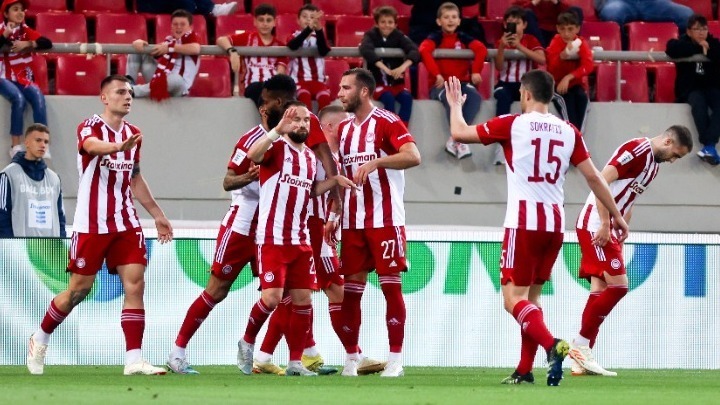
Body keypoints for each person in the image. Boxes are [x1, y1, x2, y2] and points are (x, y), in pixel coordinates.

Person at [444, 70, 629, 386]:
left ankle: (551, 345)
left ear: (526, 94)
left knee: (512, 300)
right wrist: (616, 216)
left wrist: (455, 106)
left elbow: (459, 133)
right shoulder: (569, 131)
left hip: (523, 224)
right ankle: (524, 370)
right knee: (532, 297)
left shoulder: (513, 124)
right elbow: (595, 177)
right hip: (554, 226)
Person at [26, 75, 174, 376]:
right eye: (120, 92)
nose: (128, 96)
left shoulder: (134, 134)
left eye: (130, 92)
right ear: (104, 98)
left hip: (125, 222)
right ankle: (39, 338)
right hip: (91, 224)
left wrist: (157, 214)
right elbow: (91, 147)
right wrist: (118, 146)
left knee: (136, 284)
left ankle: (134, 359)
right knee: (78, 291)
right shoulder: (89, 126)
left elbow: (135, 177)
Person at [251, 104, 386, 377]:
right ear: (329, 127)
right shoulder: (307, 153)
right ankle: (353, 355)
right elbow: (306, 189)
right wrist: (330, 217)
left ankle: (271, 355)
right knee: (336, 290)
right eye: (343, 123)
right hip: (311, 227)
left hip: (312, 227)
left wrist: (335, 213)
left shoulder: (330, 157)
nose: (348, 127)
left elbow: (327, 190)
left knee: (294, 297)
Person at [236, 101, 355, 377]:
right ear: (286, 122)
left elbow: (310, 191)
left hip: (300, 240)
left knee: (303, 301)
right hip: (272, 237)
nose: (301, 124)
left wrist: (335, 181)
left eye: (305, 121)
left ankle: (295, 363)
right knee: (272, 299)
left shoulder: (310, 158)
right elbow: (253, 155)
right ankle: (247, 341)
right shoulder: (276, 148)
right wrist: (277, 130)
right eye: (296, 119)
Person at [165, 82, 274, 375]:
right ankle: (177, 352)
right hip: (242, 225)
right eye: (278, 103)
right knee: (217, 290)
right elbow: (228, 181)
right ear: (264, 109)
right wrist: (249, 177)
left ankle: (267, 353)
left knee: (280, 293)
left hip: (273, 228)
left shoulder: (291, 143)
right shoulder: (250, 140)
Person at [570, 126, 692, 376]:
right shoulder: (636, 150)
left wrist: (620, 232)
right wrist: (606, 224)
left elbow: (629, 199)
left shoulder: (654, 166)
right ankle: (580, 345)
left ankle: (581, 359)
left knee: (600, 290)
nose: (673, 161)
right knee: (619, 287)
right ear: (668, 142)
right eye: (675, 155)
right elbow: (600, 181)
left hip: (609, 229)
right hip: (595, 224)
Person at [335, 68, 422, 378]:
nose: (339, 93)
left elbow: (413, 156)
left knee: (390, 288)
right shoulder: (343, 129)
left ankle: (395, 360)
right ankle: (352, 359)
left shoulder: (387, 122)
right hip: (352, 221)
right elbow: (339, 177)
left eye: (346, 88)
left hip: (385, 219)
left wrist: (377, 161)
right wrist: (334, 215)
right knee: (351, 292)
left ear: (363, 91)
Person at [419, 2, 487, 160]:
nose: (450, 20)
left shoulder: (463, 37)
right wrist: (437, 74)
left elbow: (481, 49)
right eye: (446, 17)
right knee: (453, 99)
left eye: (454, 17)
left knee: (475, 97)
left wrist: (476, 71)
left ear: (459, 21)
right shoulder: (435, 37)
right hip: (441, 86)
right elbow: (423, 50)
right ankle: (460, 138)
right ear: (439, 21)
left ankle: (456, 138)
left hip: (462, 83)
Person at [665, 14, 720, 165]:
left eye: (704, 29)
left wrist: (708, 48)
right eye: (697, 29)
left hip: (712, 87)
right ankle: (709, 145)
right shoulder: (681, 42)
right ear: (689, 31)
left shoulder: (713, 43)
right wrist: (699, 47)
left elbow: (718, 52)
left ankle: (709, 145)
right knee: (698, 103)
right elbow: (671, 48)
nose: (701, 32)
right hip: (690, 89)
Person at [493, 6, 545, 164]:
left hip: (526, 85)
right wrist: (502, 47)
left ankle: (528, 148)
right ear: (504, 24)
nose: (514, 26)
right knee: (502, 97)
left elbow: (541, 59)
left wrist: (519, 47)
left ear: (524, 25)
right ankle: (501, 147)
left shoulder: (531, 40)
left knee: (532, 107)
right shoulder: (501, 41)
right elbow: (499, 66)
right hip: (505, 84)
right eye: (510, 23)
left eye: (517, 23)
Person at [0, 0, 52, 158]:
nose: (20, 13)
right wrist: (5, 35)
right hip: (2, 76)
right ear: (6, 14)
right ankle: (15, 146)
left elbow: (47, 43)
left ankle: (41, 143)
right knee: (19, 99)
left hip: (22, 78)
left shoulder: (25, 30)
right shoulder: (1, 29)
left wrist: (29, 43)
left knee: (38, 97)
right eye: (15, 9)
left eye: (22, 10)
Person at [0, 123, 65, 237]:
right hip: (20, 247)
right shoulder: (8, 175)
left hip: (50, 247)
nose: (43, 145)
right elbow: (2, 215)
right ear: (27, 143)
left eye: (46, 142)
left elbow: (60, 216)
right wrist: (11, 245)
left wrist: (61, 243)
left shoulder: (54, 179)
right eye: (38, 140)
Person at [216, 3, 287, 107]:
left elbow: (280, 72)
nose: (265, 24)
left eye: (268, 20)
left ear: (274, 22)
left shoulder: (280, 46)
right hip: (252, 86)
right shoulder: (247, 38)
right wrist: (232, 51)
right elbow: (221, 39)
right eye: (261, 20)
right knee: (263, 91)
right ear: (255, 21)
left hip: (273, 88)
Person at [360, 5, 419, 126]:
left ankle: (402, 129)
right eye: (383, 22)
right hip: (377, 84)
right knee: (388, 98)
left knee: (407, 98)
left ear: (395, 24)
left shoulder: (399, 36)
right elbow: (365, 49)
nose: (387, 25)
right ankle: (390, 129)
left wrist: (402, 67)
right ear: (376, 24)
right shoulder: (370, 35)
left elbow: (414, 51)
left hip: (396, 84)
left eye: (390, 22)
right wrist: (385, 69)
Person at [126, 9, 201, 101]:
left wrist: (170, 48)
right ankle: (129, 82)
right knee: (138, 49)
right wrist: (139, 42)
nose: (178, 27)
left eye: (182, 24)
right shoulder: (169, 40)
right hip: (160, 78)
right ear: (171, 27)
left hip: (179, 87)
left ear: (190, 27)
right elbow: (154, 51)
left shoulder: (192, 37)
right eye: (175, 24)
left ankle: (133, 91)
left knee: (176, 79)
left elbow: (195, 48)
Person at [546, 12, 593, 132]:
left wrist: (569, 77)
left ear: (577, 29)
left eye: (570, 29)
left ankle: (577, 136)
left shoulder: (581, 43)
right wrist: (561, 56)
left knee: (582, 98)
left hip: (575, 85)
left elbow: (588, 65)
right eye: (562, 29)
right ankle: (573, 135)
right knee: (568, 106)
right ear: (557, 29)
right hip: (556, 86)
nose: (566, 34)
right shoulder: (556, 42)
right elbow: (551, 67)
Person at [286, 4, 332, 113]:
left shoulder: (319, 36)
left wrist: (318, 29)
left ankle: (322, 123)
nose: (308, 20)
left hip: (318, 81)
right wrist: (309, 29)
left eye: (312, 17)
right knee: (304, 97)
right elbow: (293, 46)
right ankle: (308, 122)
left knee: (325, 99)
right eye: (305, 16)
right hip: (299, 81)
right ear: (298, 20)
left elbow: (323, 50)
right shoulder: (294, 35)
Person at [514, 0, 584, 47]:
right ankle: (540, 49)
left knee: (576, 10)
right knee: (526, 13)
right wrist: (533, 3)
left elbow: (569, 15)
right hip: (536, 33)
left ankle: (574, 45)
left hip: (558, 32)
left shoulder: (560, 3)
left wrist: (557, 3)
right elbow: (514, 14)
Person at [595, 0, 693, 32]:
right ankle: (623, 57)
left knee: (687, 16)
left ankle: (679, 58)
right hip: (621, 2)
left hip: (652, 3)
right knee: (612, 14)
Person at [136, 0, 238, 17]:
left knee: (188, 3)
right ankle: (213, 10)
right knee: (187, 3)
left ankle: (213, 9)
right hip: (147, 4)